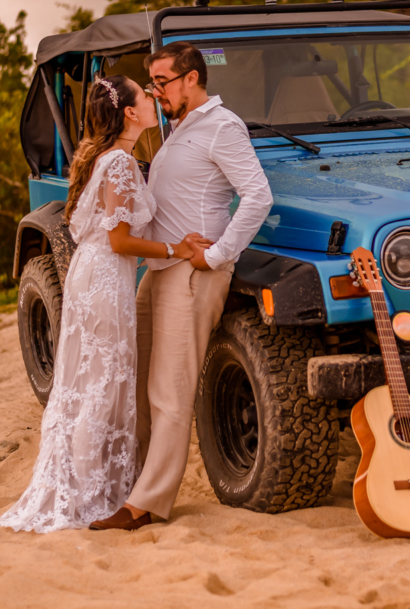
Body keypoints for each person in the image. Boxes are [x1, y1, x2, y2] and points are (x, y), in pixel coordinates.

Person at [0, 74, 209, 533]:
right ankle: (91, 494)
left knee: (93, 380)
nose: (154, 99)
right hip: (105, 279)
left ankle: (92, 485)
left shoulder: (109, 158)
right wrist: (178, 249)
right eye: (144, 95)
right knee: (102, 384)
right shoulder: (119, 165)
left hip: (92, 276)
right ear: (130, 112)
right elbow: (119, 241)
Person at [90, 41, 273, 531]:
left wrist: (215, 255)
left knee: (170, 392)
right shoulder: (178, 129)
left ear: (192, 78)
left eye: (163, 82)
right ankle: (138, 483)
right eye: (152, 85)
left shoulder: (222, 127)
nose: (157, 92)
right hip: (161, 271)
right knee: (142, 384)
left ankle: (147, 503)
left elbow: (257, 196)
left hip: (192, 275)